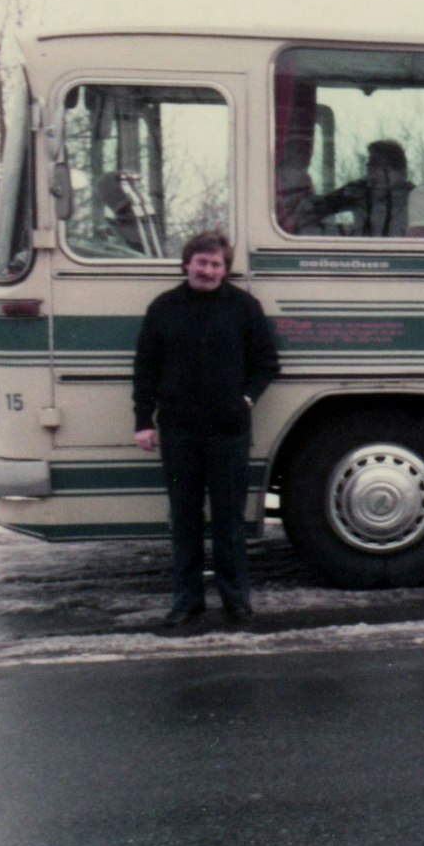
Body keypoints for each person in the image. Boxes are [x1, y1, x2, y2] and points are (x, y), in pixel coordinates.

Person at [133, 230, 281, 628]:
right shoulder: (163, 308)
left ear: (225, 269)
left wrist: (245, 400)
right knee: (184, 519)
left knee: (229, 521)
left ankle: (237, 602)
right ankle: (187, 601)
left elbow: (268, 363)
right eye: (202, 262)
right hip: (179, 431)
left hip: (228, 431)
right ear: (187, 264)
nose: (208, 270)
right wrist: (143, 421)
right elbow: (145, 370)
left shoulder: (244, 307)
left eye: (216, 264)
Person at [315, 139, 421, 236]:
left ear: (401, 173)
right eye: (372, 164)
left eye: (385, 167)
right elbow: (315, 209)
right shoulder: (358, 192)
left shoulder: (416, 198)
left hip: (402, 254)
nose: (375, 171)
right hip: (362, 254)